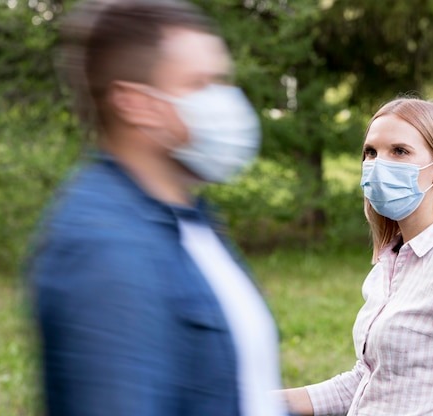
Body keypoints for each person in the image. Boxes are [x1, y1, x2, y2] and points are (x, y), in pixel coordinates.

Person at [26, 1, 286, 415]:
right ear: (135, 103)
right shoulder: (104, 248)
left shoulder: (187, 218)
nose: (226, 100)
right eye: (201, 84)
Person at [281, 97, 433, 415]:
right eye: (371, 152)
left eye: (399, 151)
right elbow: (370, 382)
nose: (379, 164)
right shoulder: (393, 258)